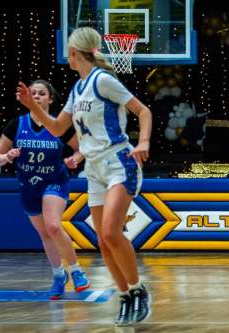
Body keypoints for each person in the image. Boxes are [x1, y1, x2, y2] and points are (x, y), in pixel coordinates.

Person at [16, 27, 152, 326]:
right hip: (94, 168)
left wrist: (143, 142)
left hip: (119, 161)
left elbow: (143, 111)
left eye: (68, 50)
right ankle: (126, 295)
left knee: (112, 232)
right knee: (103, 241)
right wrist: (31, 106)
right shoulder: (76, 90)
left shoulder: (103, 81)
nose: (67, 55)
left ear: (75, 52)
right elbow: (55, 127)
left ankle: (138, 289)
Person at [0, 80, 90, 300]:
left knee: (53, 227)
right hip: (28, 185)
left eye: (41, 93)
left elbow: (82, 149)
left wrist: (74, 159)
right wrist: (7, 156)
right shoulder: (16, 124)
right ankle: (59, 276)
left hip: (55, 181)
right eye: (33, 93)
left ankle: (76, 271)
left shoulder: (59, 125)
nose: (37, 96)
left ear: (50, 99)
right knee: (44, 233)